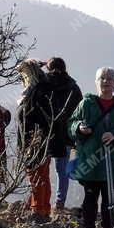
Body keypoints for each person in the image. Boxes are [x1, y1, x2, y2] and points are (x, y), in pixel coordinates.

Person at [68, 67, 114, 228]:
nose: (105, 81)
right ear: (96, 82)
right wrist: (79, 128)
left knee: (109, 199)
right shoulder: (86, 104)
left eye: (109, 79)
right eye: (102, 78)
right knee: (90, 198)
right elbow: (70, 124)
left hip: (112, 161)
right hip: (90, 159)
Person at [41, 58, 83, 213]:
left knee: (41, 168)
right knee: (62, 170)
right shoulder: (73, 87)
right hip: (65, 133)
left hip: (45, 133)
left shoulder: (43, 85)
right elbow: (80, 112)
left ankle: (40, 200)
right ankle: (59, 202)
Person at [15, 59, 53, 222]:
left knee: (37, 176)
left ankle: (39, 211)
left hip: (36, 141)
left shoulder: (36, 92)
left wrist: (33, 140)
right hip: (37, 140)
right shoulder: (41, 90)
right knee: (41, 175)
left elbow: (36, 117)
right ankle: (41, 209)